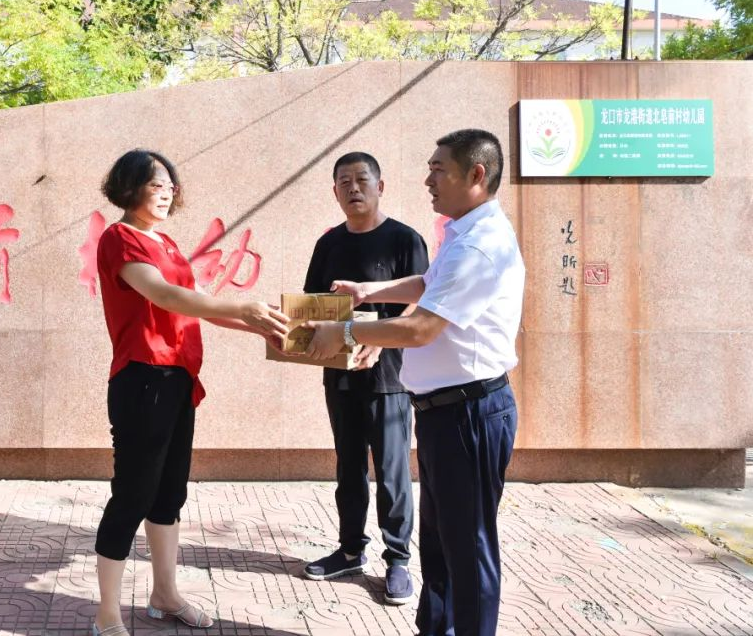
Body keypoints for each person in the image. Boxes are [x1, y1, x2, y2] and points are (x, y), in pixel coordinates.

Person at [303, 130, 525, 636]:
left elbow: (421, 328)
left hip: (470, 412)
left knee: (468, 549)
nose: (428, 180)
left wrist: (345, 330)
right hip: (445, 412)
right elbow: (428, 284)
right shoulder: (462, 232)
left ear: (476, 175)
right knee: (442, 545)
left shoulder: (481, 246)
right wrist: (369, 290)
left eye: (438, 169)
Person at [92, 149, 289, 636]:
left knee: (169, 494)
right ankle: (107, 614)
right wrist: (244, 308)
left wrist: (260, 328)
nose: (166, 194)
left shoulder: (167, 243)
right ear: (129, 187)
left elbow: (195, 304)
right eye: (155, 185)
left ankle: (165, 594)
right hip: (142, 379)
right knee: (132, 495)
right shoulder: (120, 238)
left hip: (178, 379)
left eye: (170, 186)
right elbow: (164, 295)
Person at [300, 152, 428, 606]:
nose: (353, 188)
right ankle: (350, 549)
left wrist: (383, 341)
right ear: (335, 191)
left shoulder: (404, 239)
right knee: (348, 467)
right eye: (344, 182)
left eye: (361, 180)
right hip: (340, 374)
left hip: (389, 377)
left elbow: (421, 300)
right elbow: (312, 303)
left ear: (380, 186)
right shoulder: (328, 244)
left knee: (392, 471)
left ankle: (398, 560)